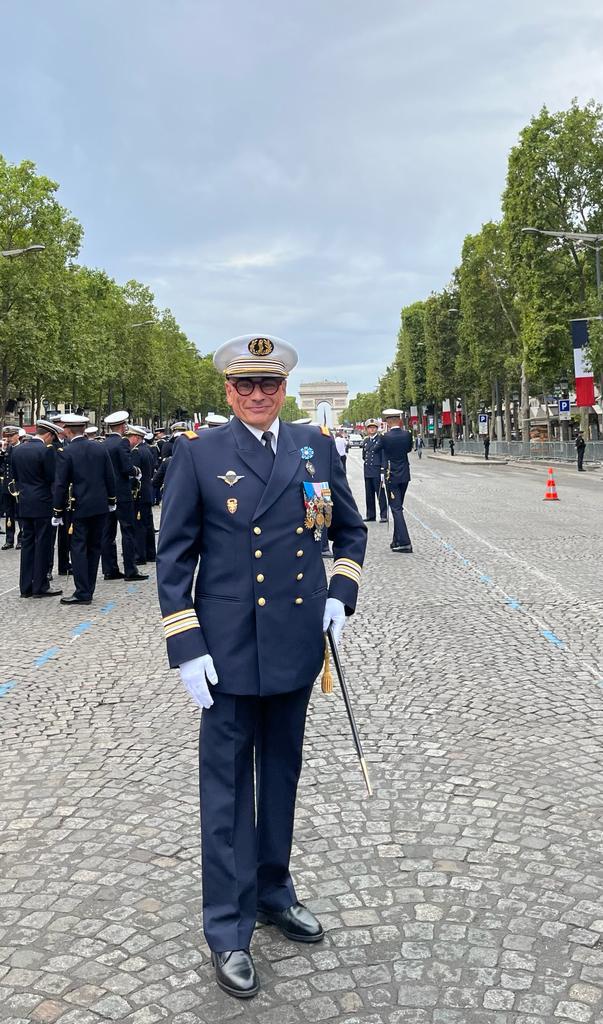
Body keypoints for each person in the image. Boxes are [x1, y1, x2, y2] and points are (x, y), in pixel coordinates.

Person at [156, 333, 367, 999]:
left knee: (280, 776)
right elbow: (174, 559)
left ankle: (273, 891)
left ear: (283, 390)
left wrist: (340, 590)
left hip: (294, 645)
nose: (256, 395)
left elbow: (349, 531)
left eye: (268, 385)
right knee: (224, 794)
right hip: (224, 652)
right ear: (227, 390)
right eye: (244, 385)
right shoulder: (197, 454)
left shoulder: (315, 445)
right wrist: (186, 646)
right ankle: (227, 927)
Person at [53, 414, 117, 605]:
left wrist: (57, 510)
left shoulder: (66, 451)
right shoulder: (100, 448)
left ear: (68, 430)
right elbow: (109, 476)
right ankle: (89, 588)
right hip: (100, 506)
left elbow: (61, 484)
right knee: (95, 547)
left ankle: (82, 591)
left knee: (78, 548)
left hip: (78, 506)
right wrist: (111, 500)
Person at [11, 420, 63, 599]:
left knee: (27, 544)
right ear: (48, 435)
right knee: (43, 545)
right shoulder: (46, 451)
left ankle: (25, 586)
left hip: (24, 502)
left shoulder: (18, 450)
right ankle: (40, 585)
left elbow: (15, 477)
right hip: (43, 504)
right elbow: (51, 478)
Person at [101, 411, 148, 582]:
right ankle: (130, 569)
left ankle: (109, 568)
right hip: (122, 493)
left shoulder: (103, 443)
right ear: (123, 426)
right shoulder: (122, 443)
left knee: (107, 533)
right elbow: (126, 468)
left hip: (106, 494)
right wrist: (137, 471)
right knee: (127, 530)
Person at [374, 408, 413, 553]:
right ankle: (396, 540)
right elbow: (409, 449)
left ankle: (404, 542)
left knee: (396, 509)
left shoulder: (385, 437)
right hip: (405, 475)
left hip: (392, 476)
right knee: (398, 507)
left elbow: (377, 449)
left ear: (388, 422)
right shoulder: (407, 434)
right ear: (400, 420)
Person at [127, 425, 156, 565]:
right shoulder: (147, 450)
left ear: (137, 437)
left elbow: (134, 476)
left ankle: (140, 555)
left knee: (139, 526)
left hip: (139, 493)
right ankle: (151, 553)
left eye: (130, 437)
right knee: (147, 524)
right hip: (147, 491)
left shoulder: (136, 452)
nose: (128, 440)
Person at [1, 425, 23, 549]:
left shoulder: (22, 448)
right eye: (7, 436)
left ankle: (21, 539)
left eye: (11, 436)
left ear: (17, 435)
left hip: (18, 485)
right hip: (7, 486)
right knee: (9, 513)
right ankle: (9, 539)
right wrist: (2, 452)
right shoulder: (7, 449)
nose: (8, 439)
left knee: (19, 513)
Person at [362, 419, 387, 522]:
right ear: (367, 429)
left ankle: (383, 515)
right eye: (370, 427)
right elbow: (364, 456)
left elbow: (383, 456)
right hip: (368, 471)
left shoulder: (381, 440)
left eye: (374, 427)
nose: (371, 429)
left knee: (380, 494)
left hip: (377, 470)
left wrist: (383, 471)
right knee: (369, 495)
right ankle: (371, 515)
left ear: (377, 429)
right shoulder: (366, 441)